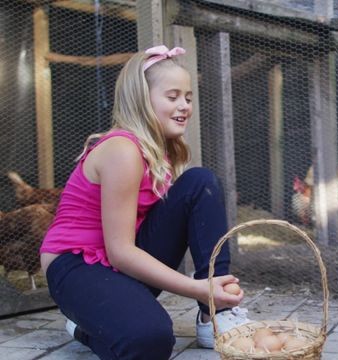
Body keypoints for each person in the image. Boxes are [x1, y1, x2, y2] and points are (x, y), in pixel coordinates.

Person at [40, 45, 251, 359]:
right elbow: (120, 251)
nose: (184, 106)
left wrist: (209, 292)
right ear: (141, 100)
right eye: (173, 96)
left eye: (188, 97)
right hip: (75, 267)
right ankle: (85, 327)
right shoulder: (122, 150)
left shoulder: (158, 151)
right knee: (149, 340)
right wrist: (195, 287)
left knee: (200, 182)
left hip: (116, 261)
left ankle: (215, 313)